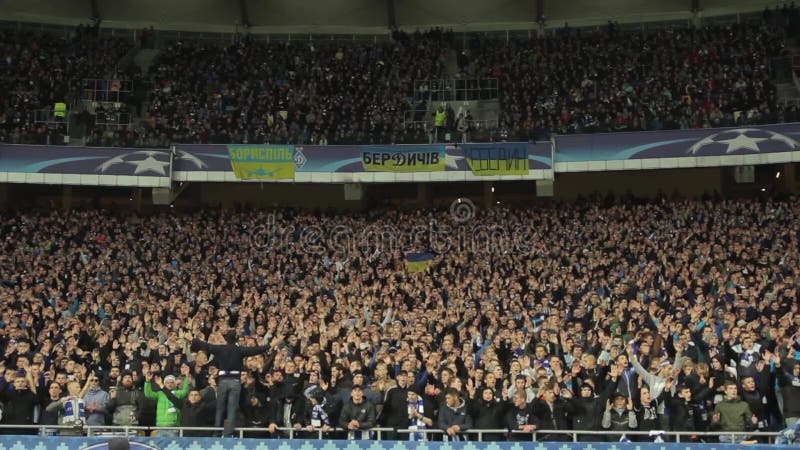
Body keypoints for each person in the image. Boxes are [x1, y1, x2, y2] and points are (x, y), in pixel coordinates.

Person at [191, 330, 270, 437]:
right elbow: (256, 350)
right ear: (236, 339)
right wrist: (271, 344)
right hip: (235, 382)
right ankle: (228, 433)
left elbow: (205, 345)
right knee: (232, 408)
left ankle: (217, 433)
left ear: (226, 339)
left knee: (220, 407)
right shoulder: (239, 350)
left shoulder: (220, 349)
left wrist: (192, 339)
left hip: (223, 381)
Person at [143, 370, 190, 437]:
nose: (169, 384)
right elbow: (148, 394)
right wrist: (147, 381)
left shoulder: (178, 393)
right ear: (164, 384)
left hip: (173, 426)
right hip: (160, 426)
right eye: (167, 383)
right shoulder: (160, 394)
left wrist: (186, 377)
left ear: (175, 384)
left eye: (171, 382)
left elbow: (185, 391)